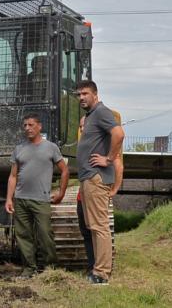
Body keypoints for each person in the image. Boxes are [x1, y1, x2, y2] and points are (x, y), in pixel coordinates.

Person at [5, 112, 69, 278]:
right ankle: (29, 269)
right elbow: (13, 176)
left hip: (41, 200)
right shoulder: (19, 149)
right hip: (21, 200)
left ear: (39, 126)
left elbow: (64, 170)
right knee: (24, 235)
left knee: (45, 234)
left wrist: (61, 193)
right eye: (25, 125)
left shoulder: (51, 147)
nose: (27, 128)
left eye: (31, 125)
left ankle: (50, 269)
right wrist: (9, 199)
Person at [75, 80, 125, 285]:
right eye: (78, 95)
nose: (81, 98)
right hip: (88, 177)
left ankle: (102, 273)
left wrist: (109, 158)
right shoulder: (91, 116)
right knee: (92, 226)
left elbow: (119, 133)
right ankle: (97, 268)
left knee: (99, 226)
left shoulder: (102, 112)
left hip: (96, 177)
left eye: (85, 94)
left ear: (95, 94)